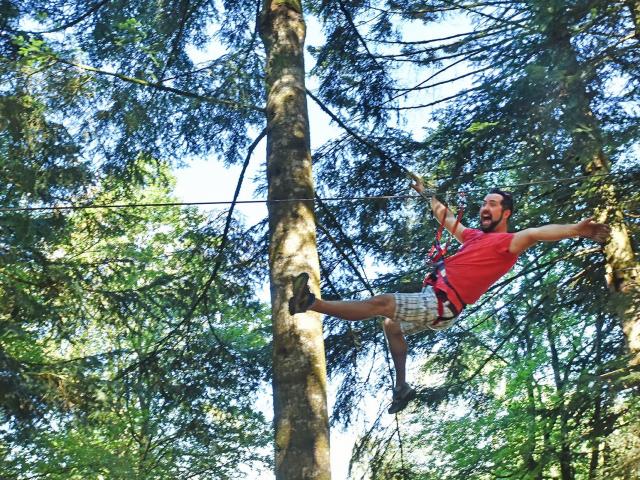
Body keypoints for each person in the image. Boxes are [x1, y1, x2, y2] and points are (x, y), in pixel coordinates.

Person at [288, 177, 611, 414]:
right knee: (391, 323)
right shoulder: (472, 237)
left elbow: (538, 233)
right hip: (440, 303)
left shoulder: (508, 243)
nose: (485, 208)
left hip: (441, 304)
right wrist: (426, 192)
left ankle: (311, 303)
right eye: (484, 203)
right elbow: (445, 216)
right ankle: (402, 386)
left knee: (382, 304)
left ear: (506, 213)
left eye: (493, 204)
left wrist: (576, 230)